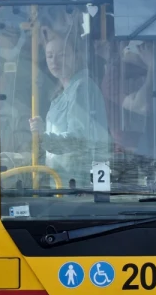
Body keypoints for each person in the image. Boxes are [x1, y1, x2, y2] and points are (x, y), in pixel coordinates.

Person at [29, 32, 110, 187]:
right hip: (62, 180)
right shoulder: (64, 92)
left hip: (76, 183)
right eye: (50, 56)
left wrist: (43, 136)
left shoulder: (81, 88)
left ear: (76, 56)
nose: (55, 61)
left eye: (62, 55)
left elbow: (77, 139)